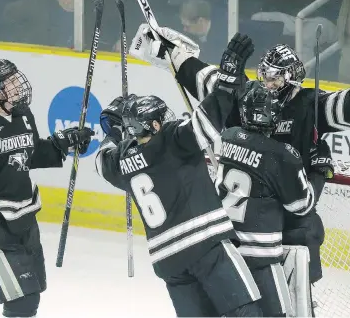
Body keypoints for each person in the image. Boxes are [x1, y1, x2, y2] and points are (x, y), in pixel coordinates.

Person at [128, 21, 350, 314]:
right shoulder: (250, 96)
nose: (267, 85)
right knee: (297, 238)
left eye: (276, 80)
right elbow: (206, 80)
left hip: (271, 210)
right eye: (265, 76)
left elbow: (346, 108)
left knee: (304, 234)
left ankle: (297, 294)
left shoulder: (306, 104)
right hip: (262, 216)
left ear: (292, 81)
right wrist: (174, 55)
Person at [96, 34, 263, 317]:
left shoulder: (122, 157)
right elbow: (210, 118)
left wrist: (112, 133)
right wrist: (228, 77)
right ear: (157, 124)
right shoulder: (173, 139)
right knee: (245, 312)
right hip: (205, 246)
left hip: (167, 260)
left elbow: (101, 161)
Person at [0, 59, 94, 318]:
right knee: (21, 302)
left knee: (32, 295)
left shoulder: (23, 115)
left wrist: (62, 143)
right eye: (11, 81)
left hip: (25, 217)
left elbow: (30, 154)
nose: (19, 85)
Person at [216, 86, 329, 317]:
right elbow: (301, 206)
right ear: (274, 117)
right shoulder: (282, 155)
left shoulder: (227, 137)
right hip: (260, 257)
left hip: (224, 251)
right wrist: (319, 171)